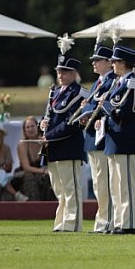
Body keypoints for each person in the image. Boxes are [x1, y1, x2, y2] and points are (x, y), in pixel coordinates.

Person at [41, 38, 85, 233]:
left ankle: (72, 223)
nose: (60, 75)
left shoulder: (78, 93)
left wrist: (49, 134)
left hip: (68, 146)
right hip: (54, 147)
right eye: (59, 71)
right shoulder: (55, 91)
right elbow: (50, 114)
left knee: (71, 188)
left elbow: (71, 123)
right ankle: (61, 222)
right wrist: (43, 123)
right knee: (59, 189)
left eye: (65, 71)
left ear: (74, 73)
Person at [103, 44, 135, 234]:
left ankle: (129, 223)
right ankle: (119, 221)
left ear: (123, 63)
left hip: (125, 139)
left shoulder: (132, 84)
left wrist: (107, 108)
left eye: (115, 62)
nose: (112, 65)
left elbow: (127, 113)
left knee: (127, 184)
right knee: (116, 185)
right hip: (113, 139)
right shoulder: (117, 83)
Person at [79, 37, 116, 233]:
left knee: (104, 183)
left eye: (98, 59)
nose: (94, 63)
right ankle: (102, 219)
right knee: (98, 183)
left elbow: (106, 105)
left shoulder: (111, 81)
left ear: (109, 62)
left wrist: (90, 108)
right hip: (93, 136)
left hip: (102, 136)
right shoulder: (97, 83)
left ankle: (107, 220)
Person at [0, 120, 27, 201]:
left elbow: (9, 168)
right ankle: (15, 194)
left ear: (1, 134)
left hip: (1, 176)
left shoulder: (6, 148)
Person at [16, 115, 53, 201]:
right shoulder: (22, 145)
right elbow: (26, 167)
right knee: (29, 178)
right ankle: (34, 205)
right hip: (25, 173)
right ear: (24, 130)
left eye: (32, 126)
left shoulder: (44, 141)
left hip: (42, 172)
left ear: (37, 127)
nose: (30, 129)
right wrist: (44, 171)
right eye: (27, 127)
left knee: (48, 178)